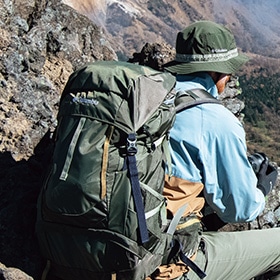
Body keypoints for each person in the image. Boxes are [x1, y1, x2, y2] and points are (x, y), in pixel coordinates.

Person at [160, 20, 280, 280]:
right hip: (159, 263)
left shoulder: (149, 99)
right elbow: (240, 210)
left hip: (91, 250)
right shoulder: (214, 119)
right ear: (218, 73)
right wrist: (260, 188)